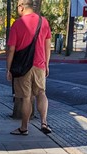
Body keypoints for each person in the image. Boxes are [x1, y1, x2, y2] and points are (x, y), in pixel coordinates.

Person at [6, 0, 52, 135]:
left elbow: (11, 49)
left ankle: (24, 127)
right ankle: (44, 122)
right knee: (41, 92)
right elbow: (47, 46)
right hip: (40, 64)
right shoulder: (43, 22)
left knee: (26, 97)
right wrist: (46, 64)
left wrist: (8, 69)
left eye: (17, 6)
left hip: (23, 67)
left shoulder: (17, 24)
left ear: (22, 7)